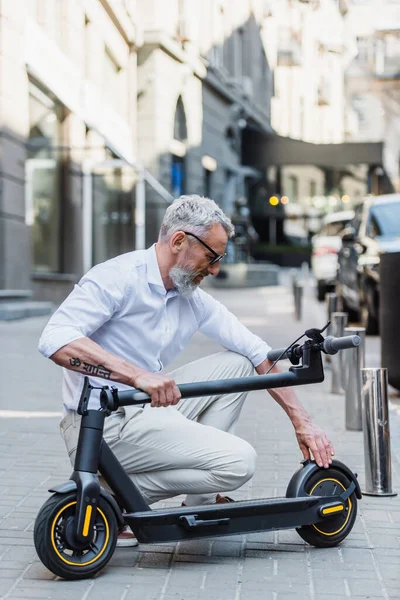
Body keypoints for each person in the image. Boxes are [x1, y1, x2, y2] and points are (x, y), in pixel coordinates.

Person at [38, 195, 335, 547]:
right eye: (211, 257)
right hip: (100, 427)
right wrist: (136, 375)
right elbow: (55, 339)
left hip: (145, 409)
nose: (214, 271)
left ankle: (201, 500)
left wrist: (302, 421)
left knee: (239, 361)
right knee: (239, 463)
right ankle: (115, 502)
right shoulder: (117, 278)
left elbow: (257, 353)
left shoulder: (190, 297)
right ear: (179, 241)